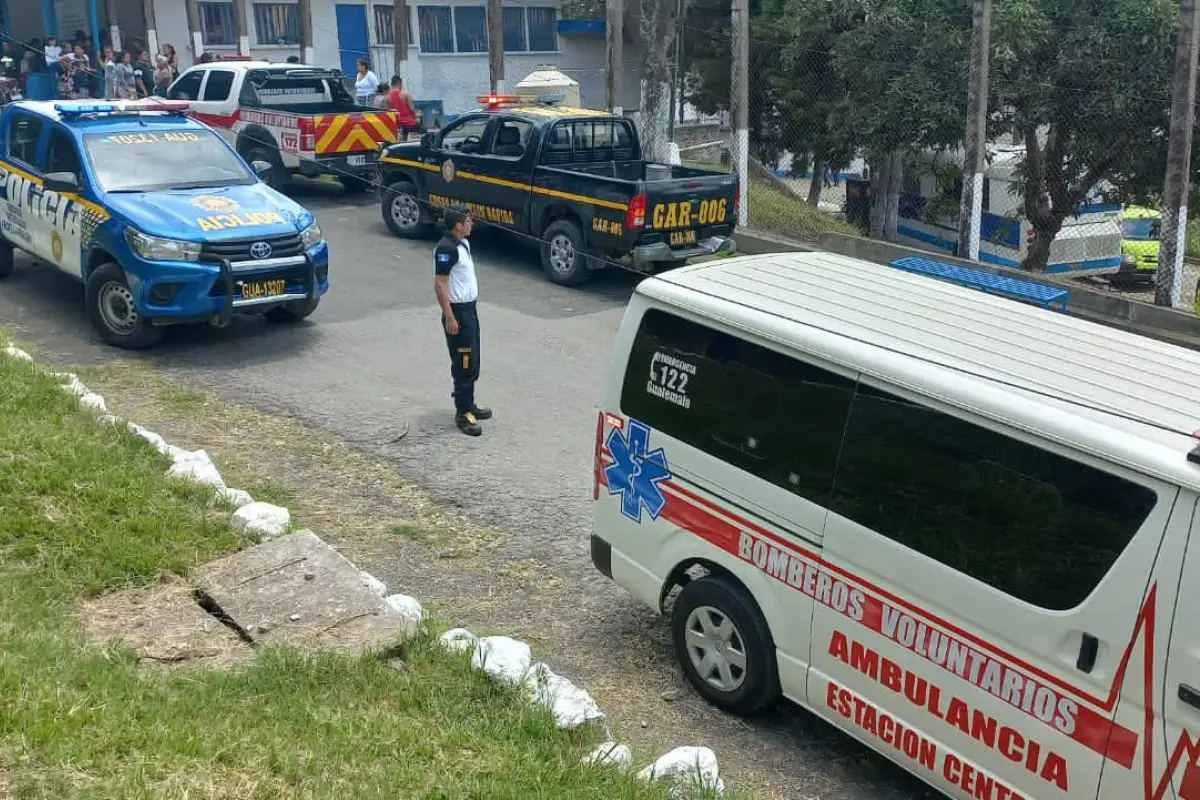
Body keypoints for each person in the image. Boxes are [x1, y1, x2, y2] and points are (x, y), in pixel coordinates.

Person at [434, 206, 492, 436]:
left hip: (469, 310)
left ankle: (470, 403)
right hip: (457, 313)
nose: (471, 223)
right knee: (464, 361)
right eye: (468, 220)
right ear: (458, 225)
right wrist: (450, 316)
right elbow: (440, 284)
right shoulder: (447, 249)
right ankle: (463, 412)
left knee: (473, 358)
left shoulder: (462, 244)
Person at [388, 76, 420, 141]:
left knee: (402, 134)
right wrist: (415, 118)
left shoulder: (388, 96)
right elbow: (412, 109)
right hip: (408, 123)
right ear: (400, 84)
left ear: (391, 85)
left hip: (396, 123)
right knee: (421, 126)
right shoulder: (406, 94)